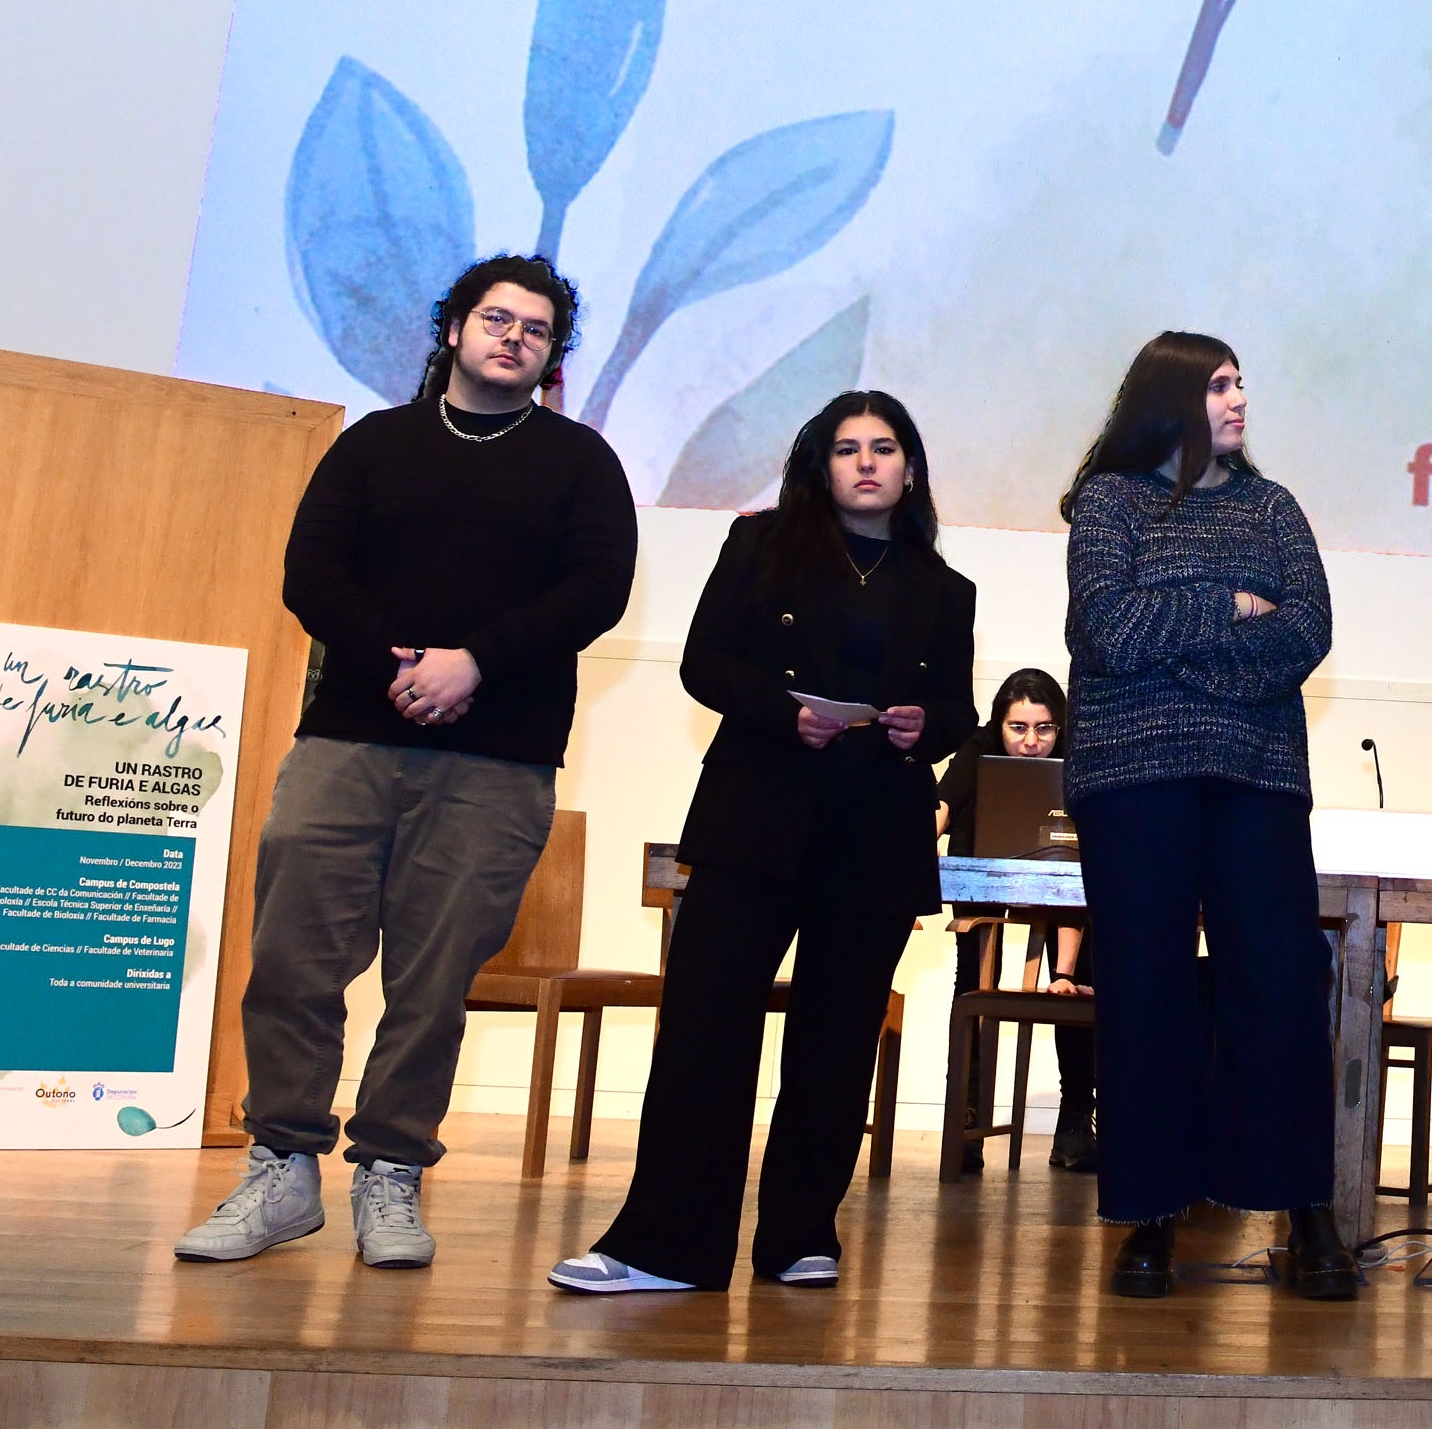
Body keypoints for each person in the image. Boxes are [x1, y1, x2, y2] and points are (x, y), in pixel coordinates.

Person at [179, 255, 637, 1268]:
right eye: (496, 318)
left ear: (553, 356)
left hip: (499, 759)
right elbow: (311, 572)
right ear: (453, 328)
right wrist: (399, 662)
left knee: (432, 982)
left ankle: (391, 1169)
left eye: (536, 328)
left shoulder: (582, 463)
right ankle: (282, 1166)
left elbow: (596, 590)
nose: (513, 337)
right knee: (294, 958)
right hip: (349, 738)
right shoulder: (375, 443)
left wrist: (476, 661)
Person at [548, 392, 975, 1293]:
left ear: (910, 468)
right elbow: (705, 662)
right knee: (705, 1027)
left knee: (837, 1040)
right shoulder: (759, 545)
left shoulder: (944, 588)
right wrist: (785, 714)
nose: (867, 462)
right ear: (820, 464)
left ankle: (800, 1235)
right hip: (757, 814)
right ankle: (666, 1246)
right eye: (847, 448)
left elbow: (958, 711)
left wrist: (922, 725)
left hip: (876, 828)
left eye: (885, 447)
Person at [1058, 331, 1352, 1301]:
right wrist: (1230, 603)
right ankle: (1150, 1214)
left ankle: (1304, 1207)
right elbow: (1106, 627)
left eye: (1240, 383)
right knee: (1146, 990)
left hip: (1257, 773)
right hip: (1131, 774)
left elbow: (1305, 631)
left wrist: (1178, 646)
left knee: (1279, 984)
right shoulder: (1110, 502)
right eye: (1219, 385)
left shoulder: (1273, 507)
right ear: (1170, 399)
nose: (1238, 399)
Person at [938, 668, 1097, 1173]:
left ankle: (1076, 1118)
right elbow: (943, 804)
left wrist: (1063, 970)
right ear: (1000, 724)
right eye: (1018, 728)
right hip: (986, 878)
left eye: (1044, 728)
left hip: (1066, 887)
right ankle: (967, 1115)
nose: (1031, 742)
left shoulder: (1078, 752)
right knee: (972, 978)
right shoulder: (980, 745)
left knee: (1080, 978)